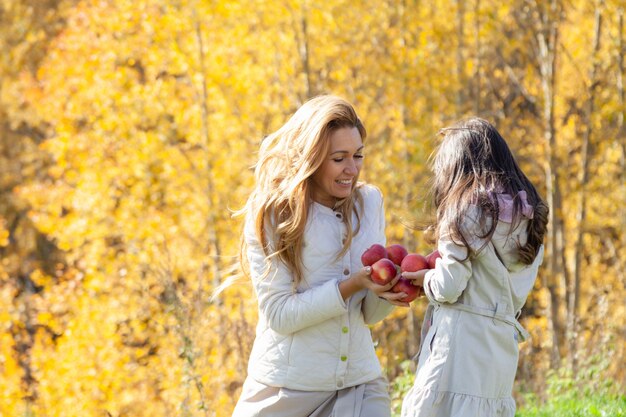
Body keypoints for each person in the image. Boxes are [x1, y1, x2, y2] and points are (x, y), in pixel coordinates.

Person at [231, 95, 407, 417]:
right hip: (286, 390)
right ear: (311, 158)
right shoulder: (273, 213)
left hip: (359, 384)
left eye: (358, 155)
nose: (352, 169)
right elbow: (280, 314)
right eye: (339, 158)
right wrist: (351, 285)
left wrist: (389, 290)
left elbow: (368, 315)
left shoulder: (369, 203)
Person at [400, 117, 549, 417]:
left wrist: (427, 278)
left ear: (456, 169)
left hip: (459, 348)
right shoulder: (530, 217)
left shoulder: (463, 210)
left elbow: (448, 286)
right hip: (499, 347)